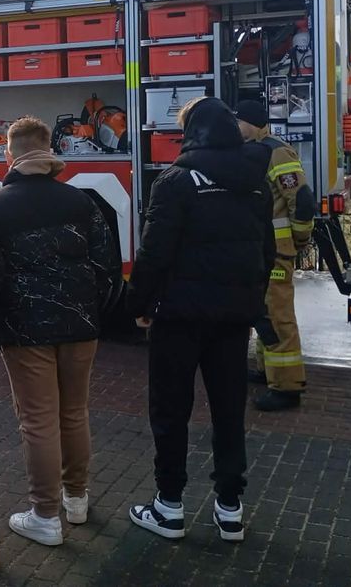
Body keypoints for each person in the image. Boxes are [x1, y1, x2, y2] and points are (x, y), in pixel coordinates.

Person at [126, 97, 275, 544]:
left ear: (191, 133)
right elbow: (265, 252)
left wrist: (137, 303)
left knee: (171, 409)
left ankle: (169, 506)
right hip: (232, 319)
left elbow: (154, 253)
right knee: (229, 409)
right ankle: (230, 507)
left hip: (180, 315)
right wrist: (251, 301)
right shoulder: (255, 182)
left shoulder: (175, 181)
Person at [0, 116, 119, 547]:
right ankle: (77, 500)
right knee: (75, 413)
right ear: (51, 148)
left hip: (25, 328)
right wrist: (92, 310)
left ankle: (45, 515)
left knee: (37, 421)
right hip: (81, 325)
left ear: (10, 154)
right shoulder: (81, 201)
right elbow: (108, 267)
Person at [236, 100, 316, 411]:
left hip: (277, 249)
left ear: (251, 123)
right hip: (260, 248)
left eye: (238, 122)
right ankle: (268, 371)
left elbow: (301, 200)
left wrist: (300, 237)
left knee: (278, 315)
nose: (234, 128)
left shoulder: (276, 151)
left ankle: (287, 386)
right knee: (264, 311)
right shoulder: (255, 150)